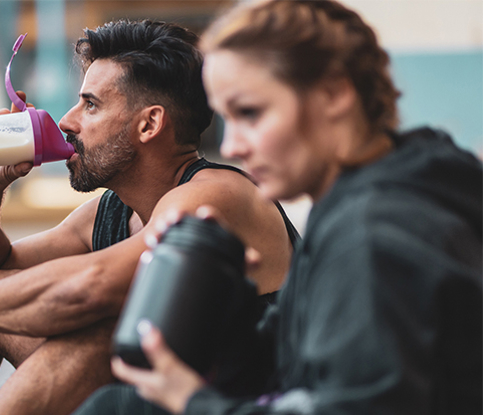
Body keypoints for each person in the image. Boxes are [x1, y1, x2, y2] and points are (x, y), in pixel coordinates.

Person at [0, 20, 298, 415]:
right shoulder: (108, 213)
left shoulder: (216, 196)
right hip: (143, 397)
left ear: (149, 125)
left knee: (93, 337)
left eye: (90, 105)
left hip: (233, 404)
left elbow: (94, 287)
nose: (67, 121)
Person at [73, 1, 483, 414]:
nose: (232, 146)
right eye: (227, 119)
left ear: (333, 95)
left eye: (250, 113)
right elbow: (289, 368)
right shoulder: (359, 200)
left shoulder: (372, 233)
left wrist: (193, 403)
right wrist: (229, 298)